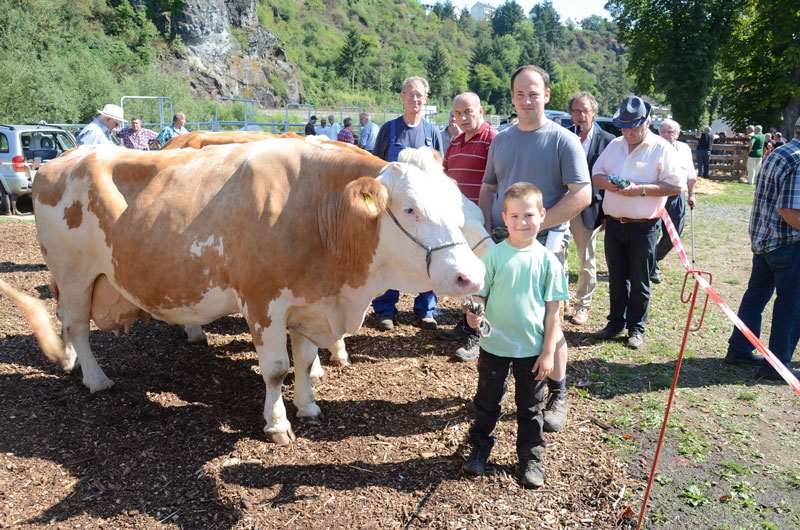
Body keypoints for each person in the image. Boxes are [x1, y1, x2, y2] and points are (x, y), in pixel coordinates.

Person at [478, 65, 591, 433]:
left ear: (546, 95)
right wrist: (485, 228)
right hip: (502, 240)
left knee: (549, 321)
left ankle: (557, 392)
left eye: (534, 93)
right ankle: (502, 382)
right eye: (520, 94)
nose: (527, 100)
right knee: (505, 310)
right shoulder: (502, 140)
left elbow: (583, 193)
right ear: (512, 97)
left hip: (545, 245)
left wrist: (539, 224)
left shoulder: (563, 141)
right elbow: (489, 188)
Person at [461, 182, 569, 488]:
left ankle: (531, 458)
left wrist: (548, 352)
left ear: (542, 215)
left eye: (529, 215)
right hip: (494, 346)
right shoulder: (493, 256)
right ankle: (480, 445)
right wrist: (474, 311)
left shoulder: (549, 261)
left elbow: (553, 313)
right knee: (486, 401)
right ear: (504, 218)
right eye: (515, 216)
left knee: (530, 408)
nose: (522, 222)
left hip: (532, 351)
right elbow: (479, 296)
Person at [591, 96, 684, 350]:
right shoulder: (615, 145)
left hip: (644, 226)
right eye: (623, 126)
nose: (628, 132)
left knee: (640, 278)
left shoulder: (661, 147)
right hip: (615, 223)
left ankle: (636, 328)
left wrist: (640, 189)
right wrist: (607, 183)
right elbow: (596, 174)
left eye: (633, 126)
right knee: (617, 277)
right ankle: (615, 323)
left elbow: (676, 185)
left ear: (647, 122)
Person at [724, 116, 800, 380]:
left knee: (755, 297)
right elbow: (788, 209)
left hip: (765, 240)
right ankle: (776, 365)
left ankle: (740, 348)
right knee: (791, 305)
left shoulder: (780, 153)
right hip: (787, 243)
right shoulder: (798, 158)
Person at [371, 76, 445, 331]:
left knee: (427, 255)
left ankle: (426, 310)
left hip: (424, 214)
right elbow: (376, 168)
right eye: (410, 94)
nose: (415, 99)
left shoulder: (432, 133)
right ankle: (385, 310)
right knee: (390, 255)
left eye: (420, 95)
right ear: (402, 97)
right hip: (394, 212)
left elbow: (439, 172)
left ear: (426, 99)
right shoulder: (388, 130)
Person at [438, 92, 498, 360]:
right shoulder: (454, 143)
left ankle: (479, 333)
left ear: (481, 111)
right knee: (465, 275)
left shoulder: (493, 141)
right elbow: (447, 179)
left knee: (481, 281)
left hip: (483, 224)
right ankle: (465, 325)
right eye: (458, 113)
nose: (463, 118)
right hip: (460, 224)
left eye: (468, 112)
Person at [565, 91, 616, 326]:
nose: (581, 115)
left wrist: (605, 213)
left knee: (586, 259)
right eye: (576, 111)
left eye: (585, 110)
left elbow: (610, 178)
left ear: (594, 112)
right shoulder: (565, 136)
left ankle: (582, 306)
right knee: (558, 256)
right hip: (563, 205)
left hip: (590, 208)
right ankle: (561, 299)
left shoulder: (607, 140)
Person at [651, 119, 698, 283]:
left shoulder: (684, 149)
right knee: (652, 231)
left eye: (670, 132)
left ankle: (654, 259)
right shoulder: (653, 146)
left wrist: (692, 194)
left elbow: (691, 174)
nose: (666, 135)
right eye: (663, 131)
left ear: (677, 134)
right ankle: (651, 267)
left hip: (677, 196)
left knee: (674, 234)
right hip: (656, 193)